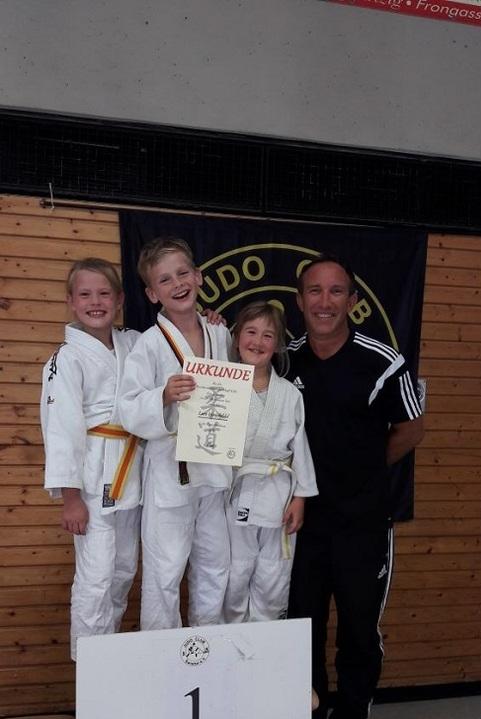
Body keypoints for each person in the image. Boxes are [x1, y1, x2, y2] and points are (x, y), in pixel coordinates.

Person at [287, 255, 424, 719]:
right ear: (300, 300)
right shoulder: (285, 359)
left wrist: (363, 469)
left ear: (354, 302)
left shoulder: (385, 361)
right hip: (302, 526)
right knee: (300, 632)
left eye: (337, 291)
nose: (325, 302)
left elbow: (411, 429)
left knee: (359, 633)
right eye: (315, 291)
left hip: (364, 524)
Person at [119, 237, 231, 630]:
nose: (178, 283)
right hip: (171, 475)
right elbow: (128, 408)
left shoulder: (221, 333)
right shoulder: (148, 345)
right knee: (164, 576)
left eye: (183, 273)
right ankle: (163, 667)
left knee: (215, 570)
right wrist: (163, 396)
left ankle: (207, 652)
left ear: (199, 277)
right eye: (165, 279)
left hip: (215, 473)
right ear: (152, 293)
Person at [40, 258, 143, 660]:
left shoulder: (133, 342)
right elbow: (61, 428)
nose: (95, 302)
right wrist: (70, 498)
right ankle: (88, 671)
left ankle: (108, 666)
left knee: (121, 575)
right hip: (91, 479)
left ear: (119, 300)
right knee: (95, 580)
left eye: (104, 294)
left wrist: (211, 327)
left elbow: (172, 350)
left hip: (131, 473)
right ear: (70, 301)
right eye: (85, 294)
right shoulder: (66, 358)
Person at [223, 301, 318, 624]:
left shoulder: (290, 394)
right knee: (234, 574)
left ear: (278, 345)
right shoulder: (222, 387)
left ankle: (263, 653)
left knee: (273, 577)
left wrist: (301, 497)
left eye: (268, 335)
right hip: (233, 492)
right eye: (250, 332)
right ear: (236, 338)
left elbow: (300, 447)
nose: (258, 342)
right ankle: (231, 648)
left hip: (278, 495)